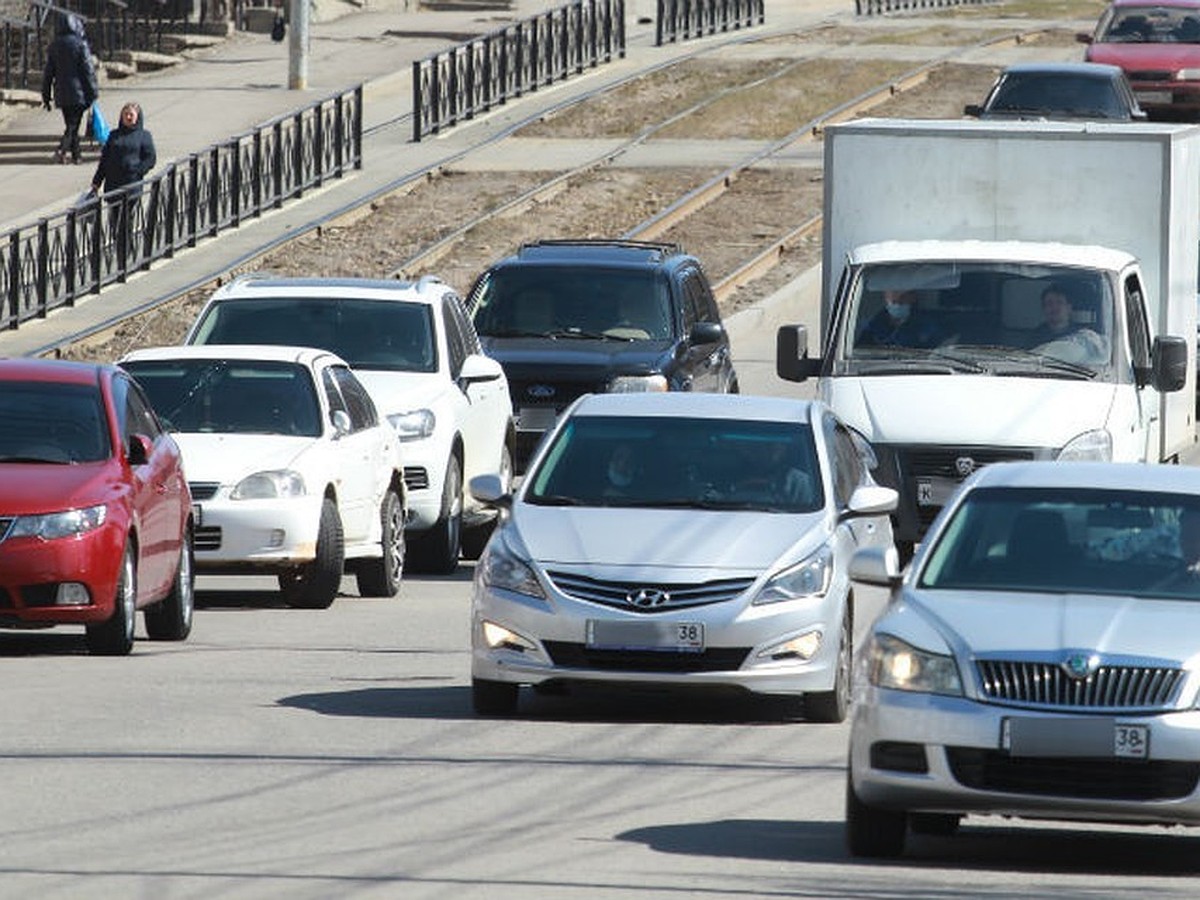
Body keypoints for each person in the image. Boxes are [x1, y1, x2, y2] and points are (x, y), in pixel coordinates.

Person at [41, 12, 99, 166]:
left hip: (61, 92)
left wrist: (46, 95)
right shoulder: (80, 45)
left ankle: (76, 155)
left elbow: (48, 73)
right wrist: (93, 92)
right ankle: (62, 149)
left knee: (71, 124)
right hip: (79, 93)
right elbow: (88, 71)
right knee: (73, 126)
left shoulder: (54, 46)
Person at [90, 101, 157, 198]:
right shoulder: (114, 135)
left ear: (137, 117)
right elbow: (105, 159)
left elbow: (150, 158)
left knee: (128, 212)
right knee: (114, 212)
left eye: (131, 115)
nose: (128, 117)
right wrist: (97, 181)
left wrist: (137, 171)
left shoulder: (144, 135)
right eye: (125, 114)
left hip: (132, 185)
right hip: (113, 184)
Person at [1028, 283, 1107, 361]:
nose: (1054, 307)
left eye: (1059, 302)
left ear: (1069, 308)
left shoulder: (1084, 336)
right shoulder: (1035, 337)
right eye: (1049, 303)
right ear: (1044, 309)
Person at [856, 289, 943, 348]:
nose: (897, 302)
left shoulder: (927, 326)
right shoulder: (871, 325)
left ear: (913, 296)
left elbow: (936, 352)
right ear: (885, 296)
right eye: (893, 301)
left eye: (902, 297)